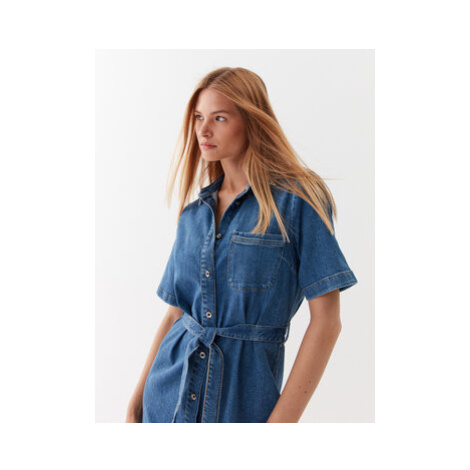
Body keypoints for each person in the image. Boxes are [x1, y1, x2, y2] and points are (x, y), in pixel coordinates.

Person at [126, 66, 358, 423]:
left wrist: (280, 424)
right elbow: (175, 314)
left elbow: (327, 322)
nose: (203, 130)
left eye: (219, 118)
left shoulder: (296, 202)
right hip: (166, 402)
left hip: (242, 408)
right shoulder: (193, 215)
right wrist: (136, 403)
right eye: (199, 117)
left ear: (252, 121)